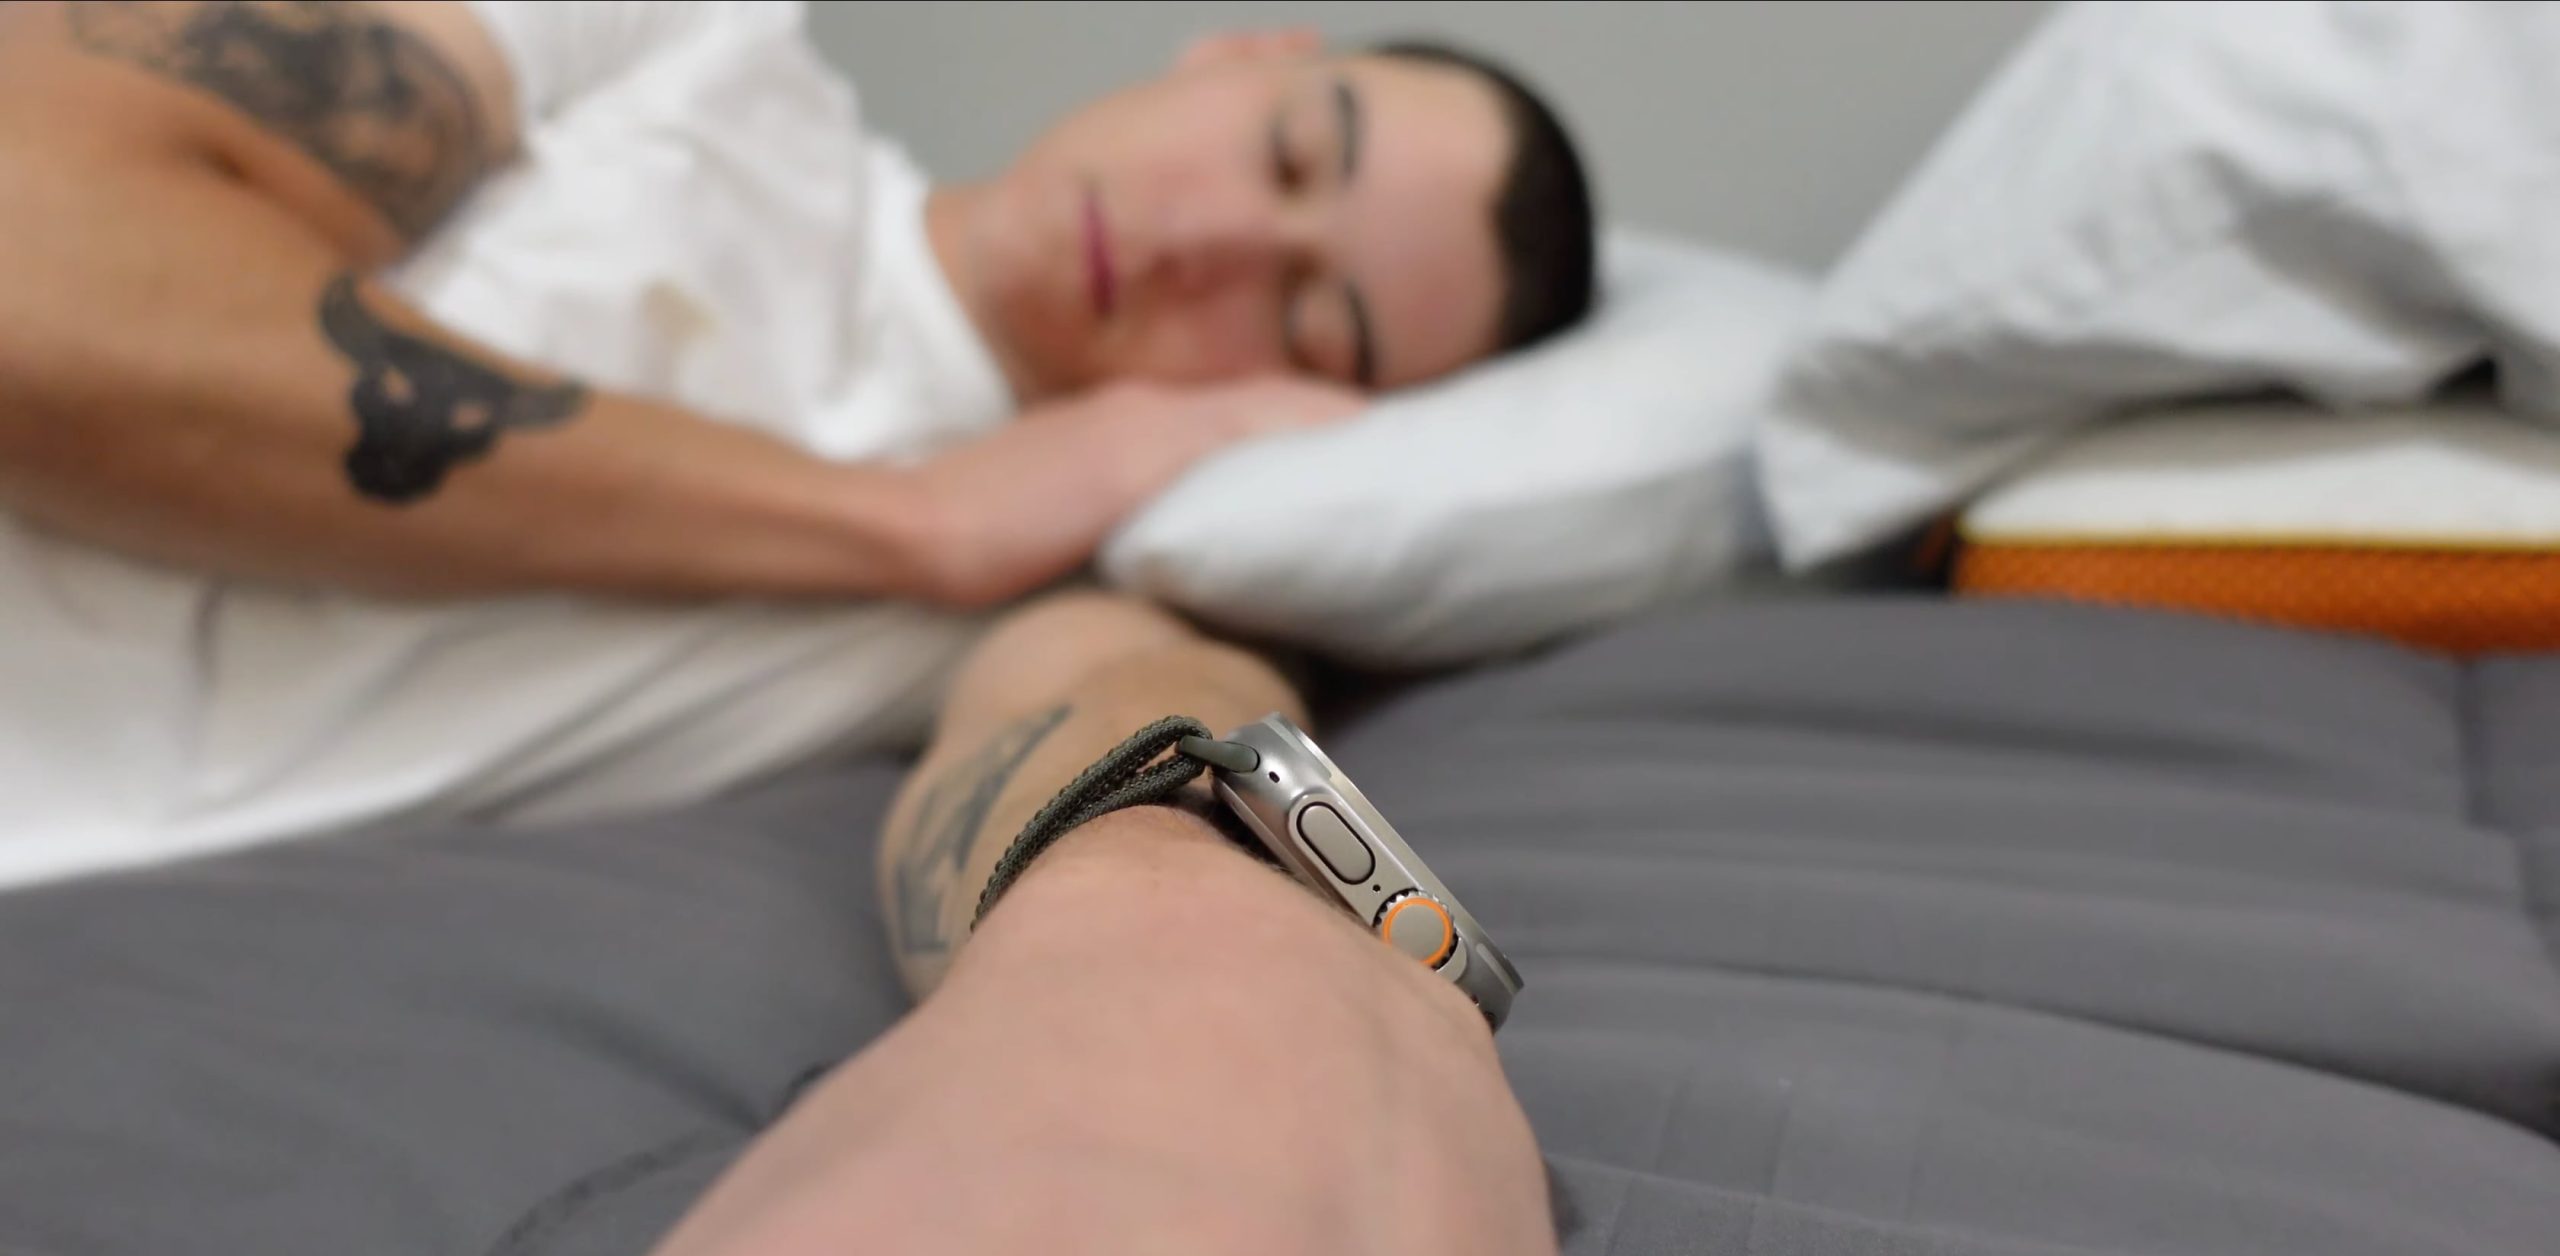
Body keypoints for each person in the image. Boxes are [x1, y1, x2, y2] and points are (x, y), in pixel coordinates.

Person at [0, 1, 1596, 887]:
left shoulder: (1074, 569)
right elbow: (33, 274)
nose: (1213, 244)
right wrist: (892, 522)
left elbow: (1113, 728)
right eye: (1288, 152)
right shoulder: (667, 39)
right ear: (1242, 53)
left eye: (1311, 325)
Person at [472, 588, 1618, 1256]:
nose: (1202, 258)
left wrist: (1186, 935)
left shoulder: (1125, 592)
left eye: (1314, 322)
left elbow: (1113, 678)